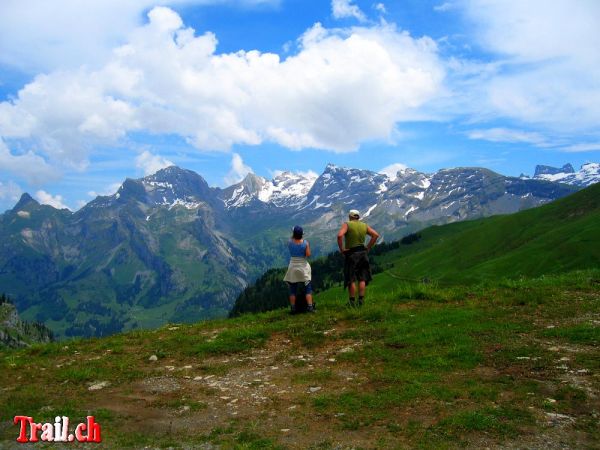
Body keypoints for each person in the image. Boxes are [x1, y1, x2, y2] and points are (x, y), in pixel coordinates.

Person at [337, 209, 379, 307]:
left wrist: (342, 249)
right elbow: (375, 235)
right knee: (362, 277)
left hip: (352, 254)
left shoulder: (347, 224)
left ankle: (352, 302)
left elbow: (339, 236)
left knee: (351, 278)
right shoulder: (364, 225)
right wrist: (368, 247)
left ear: (350, 216)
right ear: (358, 217)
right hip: (362, 253)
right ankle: (361, 301)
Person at [283, 225, 315, 314]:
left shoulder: (289, 242)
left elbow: (291, 242)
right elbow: (308, 254)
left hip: (293, 266)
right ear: (302, 234)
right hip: (303, 266)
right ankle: (310, 307)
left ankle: (293, 308)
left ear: (294, 234)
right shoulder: (305, 243)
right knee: (308, 287)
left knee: (293, 288)